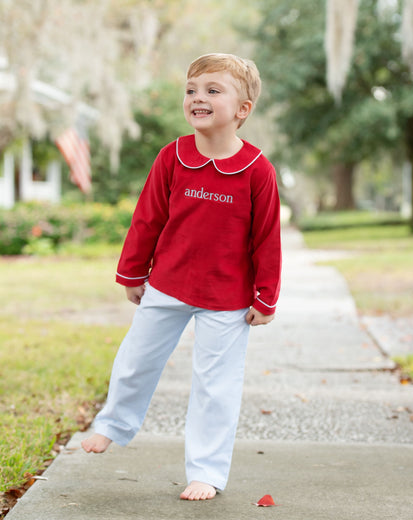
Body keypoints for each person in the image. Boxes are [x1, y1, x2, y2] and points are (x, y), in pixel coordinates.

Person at [81, 53, 282, 501]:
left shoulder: (257, 170)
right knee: (135, 360)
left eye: (213, 90)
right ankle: (112, 424)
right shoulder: (171, 157)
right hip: (167, 285)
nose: (198, 98)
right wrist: (132, 272)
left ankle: (206, 472)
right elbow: (147, 219)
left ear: (243, 109)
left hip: (227, 298)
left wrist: (265, 298)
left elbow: (267, 238)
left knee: (216, 386)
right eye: (192, 90)